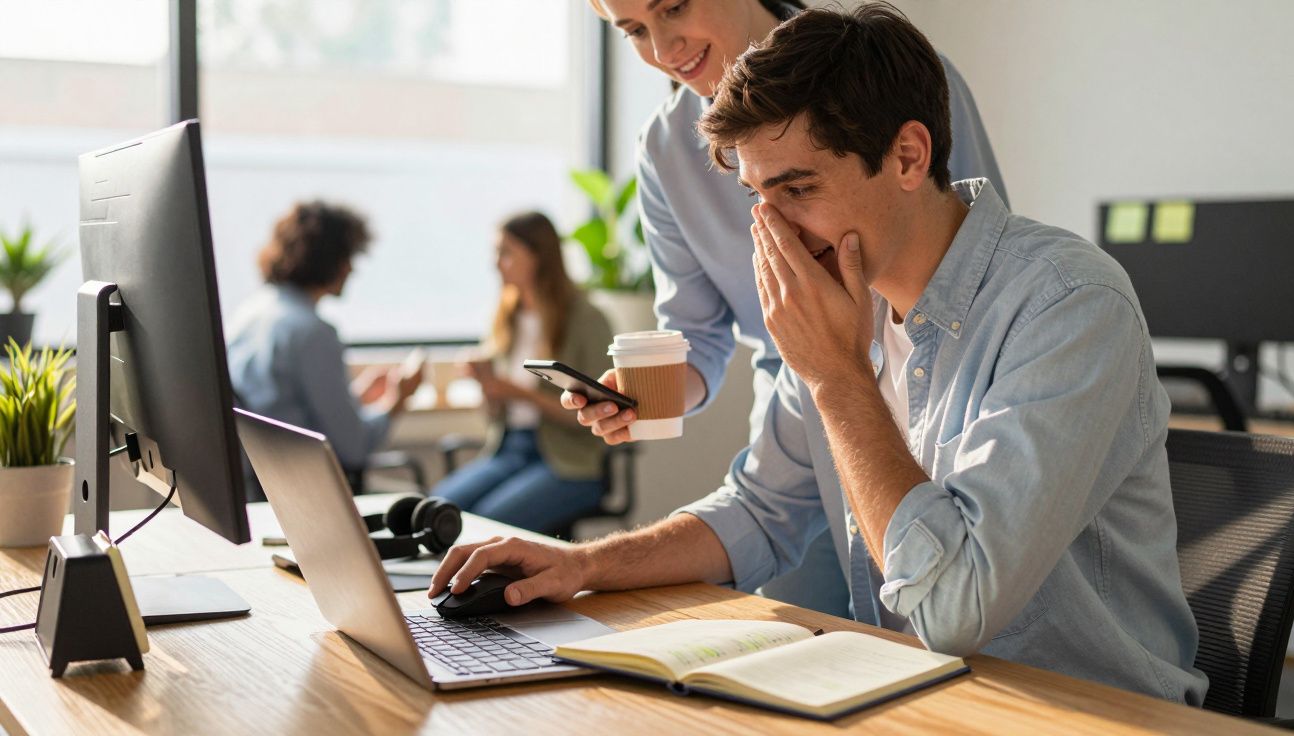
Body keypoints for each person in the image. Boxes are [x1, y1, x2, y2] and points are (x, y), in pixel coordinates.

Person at [429, 5, 1207, 703]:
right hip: (920, 697)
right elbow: (758, 513)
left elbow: (953, 609)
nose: (772, 236)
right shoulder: (841, 303)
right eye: (756, 199)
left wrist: (838, 377)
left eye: (798, 191)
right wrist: (583, 566)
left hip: (1087, 713)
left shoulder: (1067, 305)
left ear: (908, 157)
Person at [575, 0, 1007, 617]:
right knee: (804, 622)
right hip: (802, 399)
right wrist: (648, 397)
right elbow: (699, 339)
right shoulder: (666, 149)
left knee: (935, 601)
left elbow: (973, 245)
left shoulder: (884, 75)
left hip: (938, 385)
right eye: (635, 31)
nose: (665, 49)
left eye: (673, 7)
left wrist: (853, 370)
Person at [430, 212, 615, 536]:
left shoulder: (586, 320)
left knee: (486, 526)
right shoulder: (507, 319)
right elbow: (494, 414)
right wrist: (487, 387)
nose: (496, 264)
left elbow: (598, 414)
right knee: (434, 510)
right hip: (509, 449)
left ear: (538, 256)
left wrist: (519, 393)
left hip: (567, 461)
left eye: (506, 252)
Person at [227, 201, 422, 499]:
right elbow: (353, 450)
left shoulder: (250, 314)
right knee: (421, 501)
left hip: (262, 481)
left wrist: (355, 396)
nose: (352, 269)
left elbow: (282, 407)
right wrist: (397, 401)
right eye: (349, 258)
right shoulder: (313, 333)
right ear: (332, 261)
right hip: (311, 492)